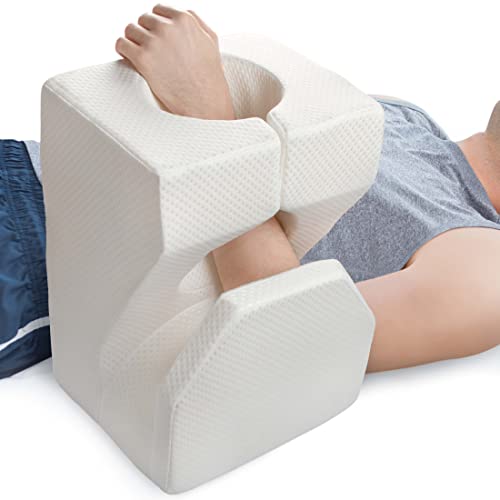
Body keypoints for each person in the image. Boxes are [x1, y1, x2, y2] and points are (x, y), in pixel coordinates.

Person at [1, 5, 500, 378]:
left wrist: (207, 113)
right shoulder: (407, 116)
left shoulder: (484, 263)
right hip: (26, 160)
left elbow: (297, 337)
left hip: (40, 255)